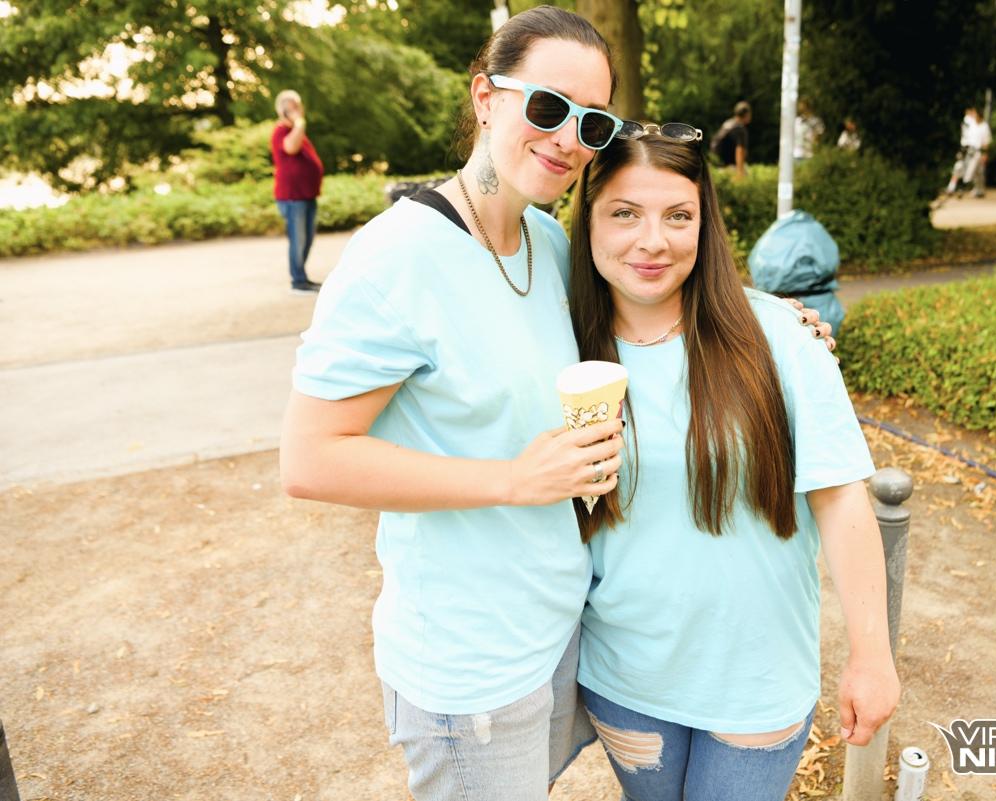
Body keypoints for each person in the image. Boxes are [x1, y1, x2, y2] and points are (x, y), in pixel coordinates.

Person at [279, 9, 832, 799]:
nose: (569, 136)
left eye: (593, 122)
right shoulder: (394, 259)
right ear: (485, 98)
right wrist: (512, 479)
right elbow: (309, 458)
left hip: (562, 638)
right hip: (471, 668)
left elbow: (648, 278)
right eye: (547, 106)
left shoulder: (545, 241)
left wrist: (770, 317)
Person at [567, 124, 900, 800]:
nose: (653, 240)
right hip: (625, 674)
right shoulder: (562, 346)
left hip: (757, 677)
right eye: (625, 213)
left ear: (705, 222)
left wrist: (872, 655)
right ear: (588, 220)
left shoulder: (779, 336)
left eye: (678, 215)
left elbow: (840, 498)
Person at [272, 89, 325, 294]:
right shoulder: (282, 131)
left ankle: (302, 278)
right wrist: (300, 123)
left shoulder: (295, 131)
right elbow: (290, 148)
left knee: (307, 239)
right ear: (283, 111)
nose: (297, 112)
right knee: (298, 239)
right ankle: (298, 281)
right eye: (291, 109)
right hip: (292, 197)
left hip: (306, 195)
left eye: (297, 107)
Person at [711, 100, 751, 179]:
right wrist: (740, 173)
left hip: (715, 164)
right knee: (746, 172)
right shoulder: (740, 128)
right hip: (727, 167)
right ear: (746, 114)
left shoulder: (727, 123)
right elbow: (740, 151)